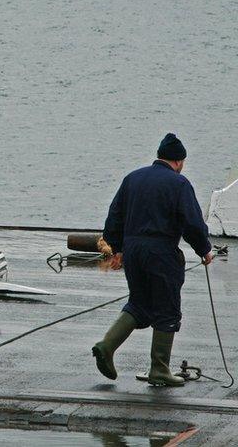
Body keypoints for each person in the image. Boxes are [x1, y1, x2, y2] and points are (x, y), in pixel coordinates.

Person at [93, 133, 214, 387]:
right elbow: (191, 222)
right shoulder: (179, 184)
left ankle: (106, 345)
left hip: (133, 251)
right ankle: (159, 369)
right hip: (161, 252)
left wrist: (116, 247)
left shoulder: (133, 178)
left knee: (139, 304)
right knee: (167, 308)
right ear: (179, 161)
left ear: (159, 156)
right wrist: (204, 249)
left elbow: (114, 215)